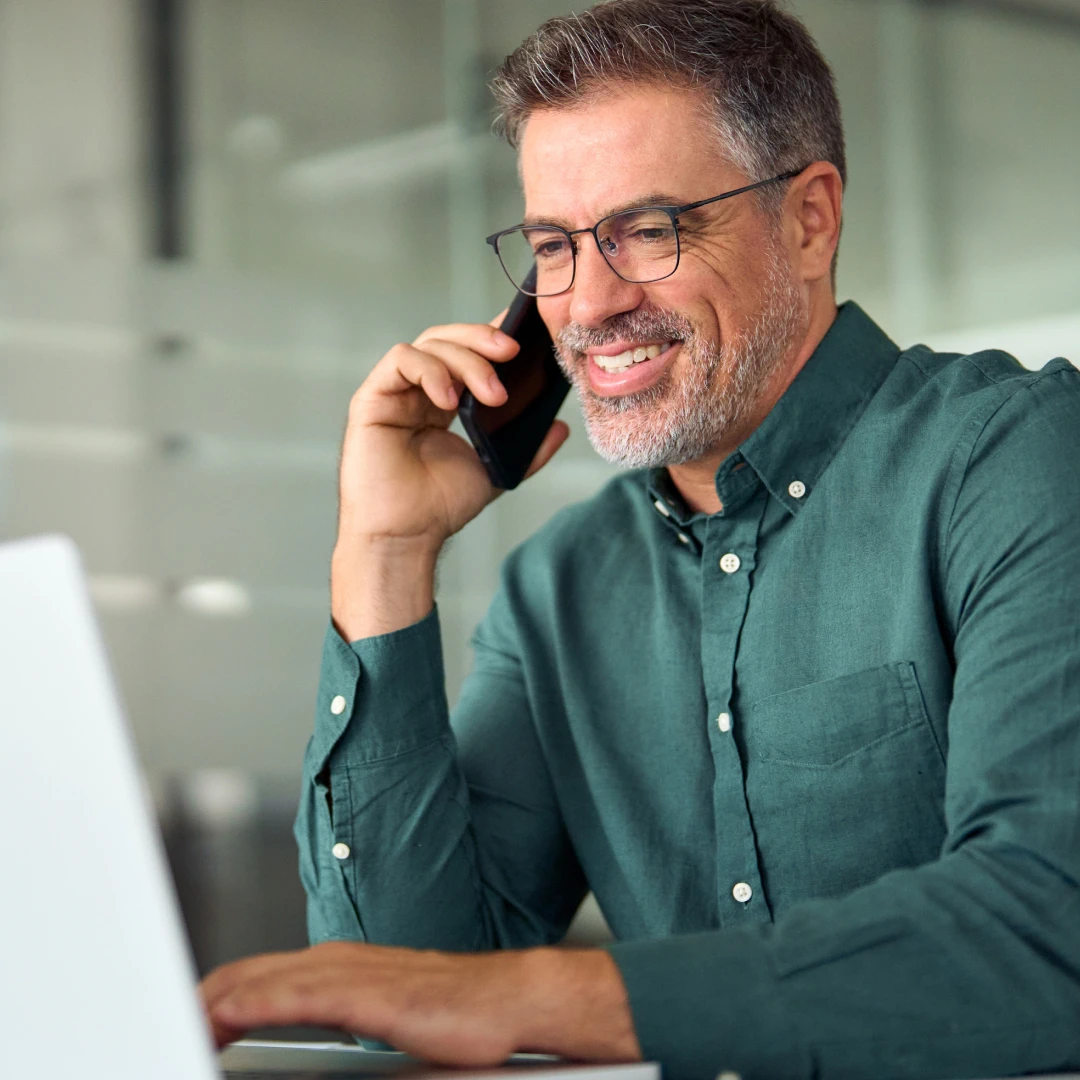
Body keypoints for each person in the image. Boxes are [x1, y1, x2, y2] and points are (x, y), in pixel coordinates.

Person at [199, 2, 1080, 1077]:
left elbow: (1051, 922)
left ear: (809, 221)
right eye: (553, 248)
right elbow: (408, 991)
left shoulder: (1019, 458)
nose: (588, 304)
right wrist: (383, 553)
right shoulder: (560, 587)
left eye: (649, 230)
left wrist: (562, 998)